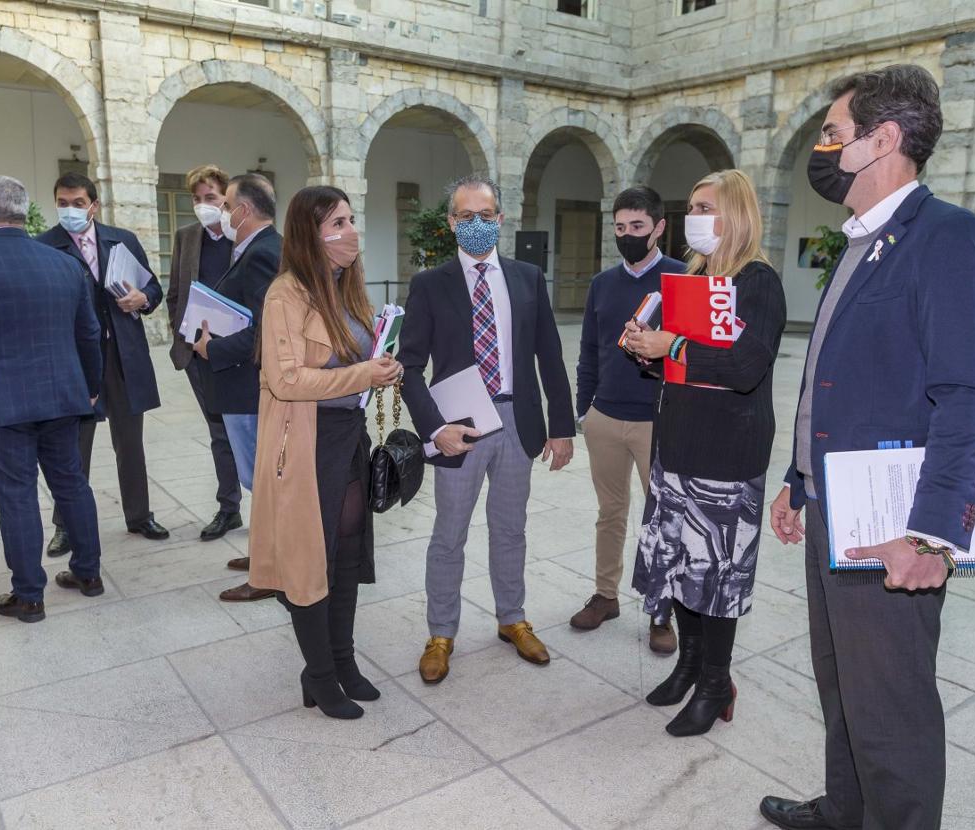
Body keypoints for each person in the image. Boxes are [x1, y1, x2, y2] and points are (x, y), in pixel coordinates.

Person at [760, 65, 975, 830]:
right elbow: (834, 379)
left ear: (884, 139)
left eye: (834, 134)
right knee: (840, 681)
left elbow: (964, 399)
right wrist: (800, 479)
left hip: (896, 522)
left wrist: (933, 533)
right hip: (835, 503)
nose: (824, 148)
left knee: (891, 703)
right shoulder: (862, 242)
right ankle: (844, 808)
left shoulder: (948, 239)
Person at [623, 169, 786, 737]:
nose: (693, 215)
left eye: (704, 206)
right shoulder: (688, 279)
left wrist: (677, 345)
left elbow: (745, 369)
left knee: (717, 573)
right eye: (690, 204)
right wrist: (648, 350)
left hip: (727, 454)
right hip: (679, 445)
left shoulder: (759, 283)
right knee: (682, 568)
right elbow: (679, 363)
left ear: (735, 214)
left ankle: (716, 682)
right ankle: (689, 666)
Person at [397, 173, 576, 685]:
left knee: (510, 529)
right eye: (466, 216)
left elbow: (550, 356)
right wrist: (435, 430)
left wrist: (560, 427)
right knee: (449, 535)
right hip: (461, 428)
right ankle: (440, 633)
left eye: (486, 215)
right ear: (453, 223)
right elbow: (409, 366)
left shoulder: (526, 277)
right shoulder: (430, 284)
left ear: (500, 219)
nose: (477, 224)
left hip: (517, 423)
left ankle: (512, 619)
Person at [247, 185, 401, 719]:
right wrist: (364, 372)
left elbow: (357, 358)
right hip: (305, 440)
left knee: (347, 554)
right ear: (309, 235)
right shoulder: (285, 294)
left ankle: (343, 661)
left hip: (347, 435)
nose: (350, 232)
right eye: (337, 223)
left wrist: (385, 363)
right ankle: (318, 673)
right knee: (312, 562)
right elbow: (286, 379)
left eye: (351, 220)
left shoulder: (348, 287)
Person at [0, 175, 105, 624]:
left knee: (16, 496)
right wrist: (90, 385)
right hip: (63, 396)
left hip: (0, 403)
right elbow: (89, 332)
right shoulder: (64, 263)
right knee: (72, 483)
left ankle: (29, 596)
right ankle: (89, 574)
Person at [570, 185, 685, 655]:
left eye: (637, 227)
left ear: (658, 228)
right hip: (605, 417)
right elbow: (588, 353)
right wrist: (584, 410)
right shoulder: (602, 284)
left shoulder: (682, 278)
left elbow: (694, 353)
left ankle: (661, 610)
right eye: (619, 228)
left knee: (662, 518)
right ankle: (605, 595)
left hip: (658, 421)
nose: (627, 235)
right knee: (609, 513)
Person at [36, 172, 168, 553]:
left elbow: (154, 288)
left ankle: (140, 515)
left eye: (78, 203)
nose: (71, 209)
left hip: (123, 356)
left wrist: (142, 299)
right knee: (73, 448)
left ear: (94, 205)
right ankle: (65, 525)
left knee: (131, 444)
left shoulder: (121, 239)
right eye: (63, 202)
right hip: (76, 362)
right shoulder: (46, 246)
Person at [190, 173, 283, 602]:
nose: (222, 213)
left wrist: (216, 348)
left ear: (243, 211)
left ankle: (271, 570)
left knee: (264, 482)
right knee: (259, 481)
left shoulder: (263, 252)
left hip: (248, 384)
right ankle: (264, 553)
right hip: (241, 384)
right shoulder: (251, 249)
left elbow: (267, 328)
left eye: (226, 205)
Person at [166, 164, 242, 541]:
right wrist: (182, 333)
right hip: (198, 354)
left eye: (210, 197)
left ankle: (269, 507)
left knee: (248, 433)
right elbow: (175, 291)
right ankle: (228, 508)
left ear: (227, 198)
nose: (202, 205)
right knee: (219, 433)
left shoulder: (243, 238)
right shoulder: (186, 237)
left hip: (241, 355)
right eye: (196, 199)